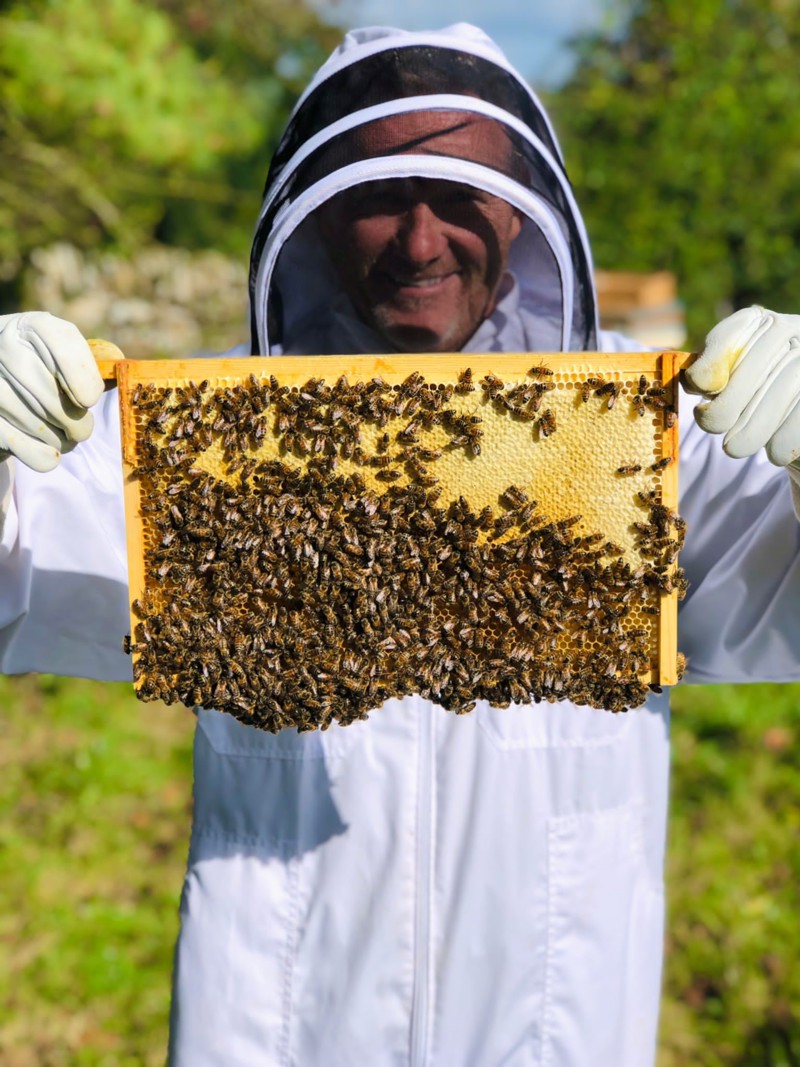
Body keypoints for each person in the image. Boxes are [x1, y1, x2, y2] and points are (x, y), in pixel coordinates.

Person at [1, 23, 800, 1067]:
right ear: (319, 210)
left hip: (556, 1030)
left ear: (521, 207)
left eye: (461, 193)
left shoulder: (649, 441)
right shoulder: (213, 448)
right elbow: (18, 566)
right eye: (381, 193)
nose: (422, 241)